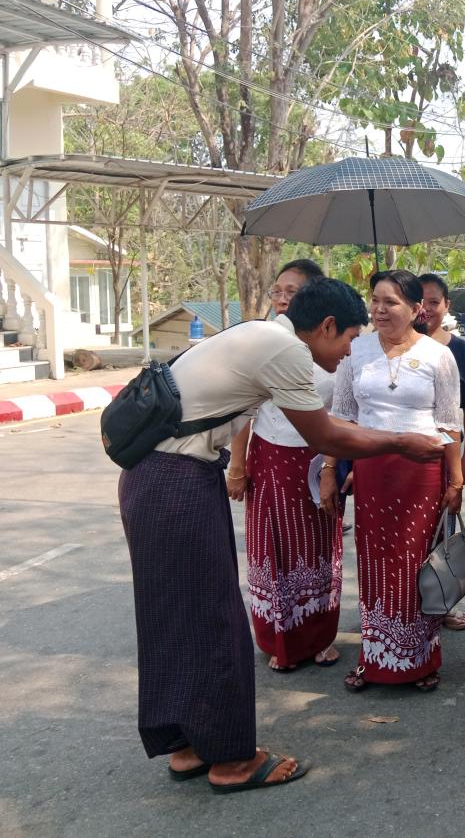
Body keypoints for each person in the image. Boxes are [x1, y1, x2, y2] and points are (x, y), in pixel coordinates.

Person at [117, 278, 442, 792]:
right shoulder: (285, 349)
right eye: (349, 338)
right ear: (327, 326)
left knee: (174, 616)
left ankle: (186, 744)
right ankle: (231, 761)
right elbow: (325, 435)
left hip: (155, 478)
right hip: (177, 484)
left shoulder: (260, 332)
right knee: (214, 617)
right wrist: (403, 442)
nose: (349, 352)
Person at [329, 270, 462, 693]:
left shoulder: (438, 355)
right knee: (375, 562)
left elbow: (449, 423)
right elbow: (342, 418)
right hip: (371, 470)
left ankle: (421, 659)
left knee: (415, 563)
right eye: (375, 300)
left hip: (421, 472)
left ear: (416, 308)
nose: (380, 309)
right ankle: (375, 657)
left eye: (391, 302)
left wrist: (456, 480)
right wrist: (330, 469)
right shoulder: (355, 350)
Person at [224, 259, 344, 674]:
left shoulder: (336, 343)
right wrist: (237, 466)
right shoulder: (263, 342)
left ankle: (319, 635)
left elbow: (345, 411)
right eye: (277, 290)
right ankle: (279, 638)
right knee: (273, 546)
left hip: (318, 458)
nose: (281, 298)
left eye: (292, 291)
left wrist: (331, 466)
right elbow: (243, 409)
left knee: (318, 546)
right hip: (271, 456)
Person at [419, 272, 465, 633]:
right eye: (420, 301)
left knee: (441, 531)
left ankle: (441, 602)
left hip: (446, 455)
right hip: (402, 459)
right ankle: (405, 605)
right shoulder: (392, 345)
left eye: (434, 302)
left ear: (447, 306)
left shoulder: (459, 350)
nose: (426, 309)